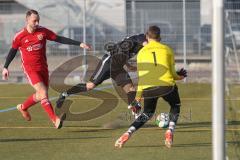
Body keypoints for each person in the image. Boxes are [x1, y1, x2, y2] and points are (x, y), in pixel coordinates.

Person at [1, 9, 91, 129]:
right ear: (27, 20)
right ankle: (55, 120)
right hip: (30, 69)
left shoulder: (43, 32)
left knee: (41, 95)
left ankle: (23, 107)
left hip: (43, 68)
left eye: (38, 20)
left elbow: (58, 38)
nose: (37, 23)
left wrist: (79, 44)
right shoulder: (19, 36)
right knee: (43, 93)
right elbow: (12, 51)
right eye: (34, 21)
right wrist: (5, 67)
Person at [114, 25, 187, 148]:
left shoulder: (141, 53)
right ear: (160, 37)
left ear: (147, 37)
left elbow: (142, 77)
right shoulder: (167, 49)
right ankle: (170, 131)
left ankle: (128, 133)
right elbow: (172, 74)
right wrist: (180, 77)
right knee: (175, 105)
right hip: (166, 86)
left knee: (147, 113)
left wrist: (137, 98)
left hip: (148, 88)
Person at [56, 33, 148, 117]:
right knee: (90, 86)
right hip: (108, 62)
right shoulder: (141, 37)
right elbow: (144, 44)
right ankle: (65, 94)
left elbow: (123, 52)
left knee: (130, 88)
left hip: (118, 67)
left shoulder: (138, 42)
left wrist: (128, 65)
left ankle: (137, 115)